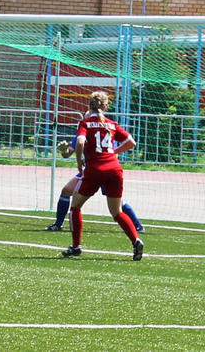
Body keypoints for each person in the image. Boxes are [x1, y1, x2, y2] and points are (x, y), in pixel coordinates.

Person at [61, 91, 144, 261]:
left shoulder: (85, 123)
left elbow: (81, 142)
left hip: (95, 169)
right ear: (106, 106)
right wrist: (113, 152)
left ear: (89, 105)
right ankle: (136, 241)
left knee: (75, 207)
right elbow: (131, 142)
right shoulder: (111, 124)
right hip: (114, 169)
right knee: (117, 212)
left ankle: (76, 246)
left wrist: (79, 162)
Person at [47, 136, 145, 233]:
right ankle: (58, 224)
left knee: (117, 202)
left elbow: (115, 154)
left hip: (104, 170)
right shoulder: (81, 134)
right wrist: (64, 150)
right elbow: (68, 153)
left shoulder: (105, 133)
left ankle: (137, 226)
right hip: (90, 171)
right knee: (66, 191)